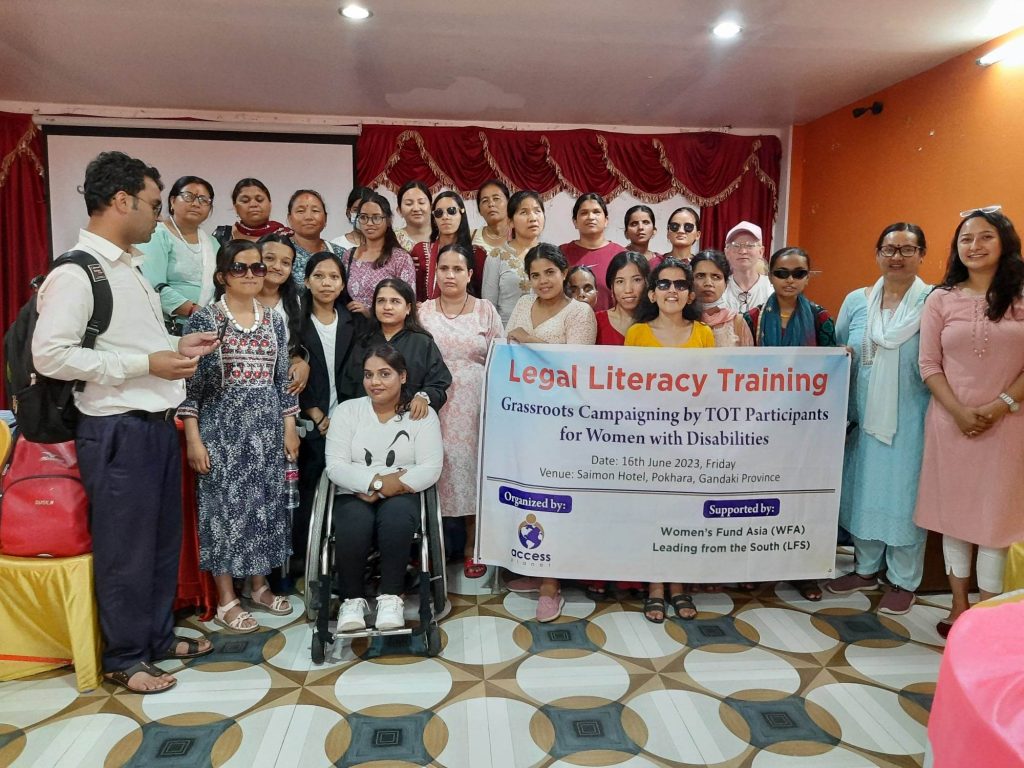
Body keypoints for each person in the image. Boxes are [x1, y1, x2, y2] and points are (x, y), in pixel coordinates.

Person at [32, 151, 220, 693]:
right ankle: (125, 656)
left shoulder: (128, 266)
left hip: (155, 423)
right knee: (126, 548)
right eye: (155, 205)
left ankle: (157, 636)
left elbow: (133, 343)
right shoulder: (77, 271)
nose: (159, 218)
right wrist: (145, 363)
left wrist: (174, 347)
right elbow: (51, 356)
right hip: (117, 429)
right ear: (121, 201)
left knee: (160, 542)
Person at [913, 208, 1024, 637]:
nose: (974, 246)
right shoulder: (942, 299)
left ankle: (989, 614)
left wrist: (1000, 405)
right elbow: (928, 364)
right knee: (956, 518)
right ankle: (959, 608)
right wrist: (959, 412)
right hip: (949, 423)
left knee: (995, 521)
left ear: (1004, 243)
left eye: (984, 237)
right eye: (965, 239)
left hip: (1009, 424)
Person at [180, 240, 299, 633]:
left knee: (265, 509)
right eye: (240, 268)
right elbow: (190, 389)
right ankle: (227, 597)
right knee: (224, 513)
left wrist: (288, 429)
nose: (250, 274)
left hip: (266, 433)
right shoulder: (207, 320)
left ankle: (259, 586)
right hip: (221, 433)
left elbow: (282, 381)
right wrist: (194, 440)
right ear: (222, 276)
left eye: (257, 267)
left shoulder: (273, 320)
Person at [825, 223, 931, 615]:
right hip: (863, 416)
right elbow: (840, 347)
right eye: (889, 249)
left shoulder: (932, 302)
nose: (897, 257)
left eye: (907, 249)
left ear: (922, 255)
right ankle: (865, 568)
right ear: (877, 254)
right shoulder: (857, 300)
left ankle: (904, 579)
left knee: (904, 497)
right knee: (864, 489)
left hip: (912, 419)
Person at [505, 243, 597, 621]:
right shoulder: (523, 305)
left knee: (558, 499)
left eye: (550, 273)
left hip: (566, 421)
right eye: (535, 274)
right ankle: (536, 564)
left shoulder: (580, 312)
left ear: (564, 273)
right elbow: (508, 349)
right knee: (530, 497)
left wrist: (530, 341)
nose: (543, 281)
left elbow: (573, 366)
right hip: (526, 415)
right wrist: (529, 345)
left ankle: (551, 584)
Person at [325, 345, 444, 631]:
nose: (375, 382)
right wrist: (377, 482)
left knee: (396, 520)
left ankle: (392, 597)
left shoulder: (422, 416)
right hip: (354, 493)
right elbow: (335, 466)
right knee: (353, 522)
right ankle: (351, 600)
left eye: (384, 374)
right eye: (369, 375)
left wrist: (381, 488)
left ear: (403, 377)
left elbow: (430, 467)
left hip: (402, 494)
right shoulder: (346, 411)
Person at [624, 259, 714, 623]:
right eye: (664, 284)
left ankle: (679, 584)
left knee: (684, 514)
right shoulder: (637, 333)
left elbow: (712, 390)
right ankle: (656, 585)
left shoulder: (704, 334)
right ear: (652, 292)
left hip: (690, 441)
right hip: (647, 441)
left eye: (679, 285)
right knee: (652, 514)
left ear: (690, 293)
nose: (672, 290)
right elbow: (627, 390)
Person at [746, 246, 836, 601]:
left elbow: (832, 372)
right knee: (759, 498)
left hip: (807, 428)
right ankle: (756, 565)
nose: (790, 280)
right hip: (760, 427)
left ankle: (805, 570)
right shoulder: (752, 318)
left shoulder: (820, 319)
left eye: (799, 273)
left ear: (807, 277)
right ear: (770, 274)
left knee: (802, 501)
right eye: (782, 273)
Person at [419, 244, 504, 578]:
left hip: (476, 405)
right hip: (431, 405)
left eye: (457, 269)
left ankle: (473, 545)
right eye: (443, 269)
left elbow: (501, 358)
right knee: (434, 467)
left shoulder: (486, 311)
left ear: (470, 274)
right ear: (435, 273)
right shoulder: (423, 311)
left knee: (472, 471)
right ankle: (433, 547)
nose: (450, 275)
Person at [295, 251, 362, 563]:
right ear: (307, 281)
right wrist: (314, 410)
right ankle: (307, 561)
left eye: (334, 277)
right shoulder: (294, 322)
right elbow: (287, 372)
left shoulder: (355, 321)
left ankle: (344, 560)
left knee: (350, 494)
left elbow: (365, 371)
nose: (326, 282)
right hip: (313, 423)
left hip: (349, 420)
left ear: (342, 283)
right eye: (319, 276)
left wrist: (346, 415)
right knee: (311, 492)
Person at [343, 278, 452, 418]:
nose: (387, 307)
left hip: (411, 422)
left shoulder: (422, 343)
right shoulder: (363, 341)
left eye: (395, 301)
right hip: (367, 421)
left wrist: (424, 397)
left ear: (408, 308)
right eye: (381, 301)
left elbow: (438, 382)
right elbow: (348, 386)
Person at [138, 175, 219, 331]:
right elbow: (152, 286)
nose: (196, 203)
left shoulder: (213, 243)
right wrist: (195, 311)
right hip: (167, 325)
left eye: (204, 200)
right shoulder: (157, 234)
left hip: (208, 325)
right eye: (188, 197)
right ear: (172, 201)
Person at [343, 193, 416, 318]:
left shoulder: (400, 258)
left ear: (388, 220)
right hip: (353, 330)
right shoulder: (349, 255)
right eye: (364, 217)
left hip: (387, 330)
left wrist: (370, 313)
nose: (369, 223)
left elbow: (409, 303)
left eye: (376, 217)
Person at [256, 233, 310, 396]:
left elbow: (292, 350)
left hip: (278, 390)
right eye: (270, 258)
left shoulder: (295, 303)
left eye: (286, 263)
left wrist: (301, 363)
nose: (277, 267)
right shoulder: (237, 297)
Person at [409, 190, 488, 301]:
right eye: (439, 213)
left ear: (462, 213)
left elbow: (481, 296)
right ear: (434, 219)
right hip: (427, 315)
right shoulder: (420, 251)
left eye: (451, 211)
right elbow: (414, 293)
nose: (445, 217)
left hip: (465, 315)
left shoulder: (477, 254)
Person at [483, 190, 546, 324]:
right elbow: (489, 308)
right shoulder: (497, 256)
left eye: (537, 211)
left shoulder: (551, 255)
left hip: (545, 336)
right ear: (510, 222)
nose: (533, 218)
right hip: (507, 335)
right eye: (524, 212)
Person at [559, 193, 625, 312]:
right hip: (568, 327)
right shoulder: (561, 254)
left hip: (611, 327)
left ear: (606, 220)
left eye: (596, 212)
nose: (590, 217)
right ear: (575, 221)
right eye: (584, 213)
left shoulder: (621, 255)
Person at [691, 249, 754, 348]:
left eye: (716, 277)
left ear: (726, 284)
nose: (708, 283)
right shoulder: (680, 319)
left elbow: (748, 362)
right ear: (690, 280)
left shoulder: (736, 322)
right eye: (700, 276)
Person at [286, 189, 348, 287]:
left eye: (315, 211)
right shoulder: (281, 251)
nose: (308, 217)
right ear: (289, 219)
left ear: (325, 218)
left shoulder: (340, 253)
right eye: (300, 211)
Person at [595, 251, 650, 345]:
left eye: (636, 280)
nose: (628, 290)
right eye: (620, 281)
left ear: (647, 283)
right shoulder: (596, 321)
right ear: (611, 287)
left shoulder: (657, 322)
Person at [213, 178, 287, 246]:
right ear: (235, 208)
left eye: (259, 200)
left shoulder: (285, 236)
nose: (253, 204)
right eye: (245, 201)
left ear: (270, 205)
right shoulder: (222, 235)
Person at [722, 221, 773, 313]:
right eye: (736, 245)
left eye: (750, 245)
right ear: (727, 252)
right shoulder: (719, 288)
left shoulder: (772, 288)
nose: (743, 251)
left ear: (761, 252)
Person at [472, 179, 511, 255]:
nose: (491, 204)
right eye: (485, 201)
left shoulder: (520, 235)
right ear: (480, 210)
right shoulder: (471, 237)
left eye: (496, 198)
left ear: (509, 203)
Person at [394, 180, 432, 253]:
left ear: (431, 207)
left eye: (421, 202)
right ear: (399, 210)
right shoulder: (392, 239)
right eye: (409, 204)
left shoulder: (443, 235)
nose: (416, 208)